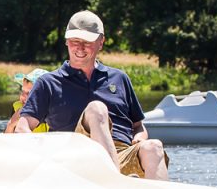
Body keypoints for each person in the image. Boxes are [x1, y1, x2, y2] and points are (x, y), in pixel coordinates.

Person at [16, 11, 169, 180]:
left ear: (100, 42)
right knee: (97, 109)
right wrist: (45, 152)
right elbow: (22, 127)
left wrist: (140, 138)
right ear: (67, 41)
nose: (80, 47)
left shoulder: (119, 78)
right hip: (74, 156)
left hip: (121, 154)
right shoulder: (48, 83)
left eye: (87, 41)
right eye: (75, 41)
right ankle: (116, 182)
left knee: (154, 147)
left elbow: (138, 126)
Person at [5, 68, 49, 133]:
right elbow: (6, 140)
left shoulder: (54, 111)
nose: (22, 96)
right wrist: (11, 125)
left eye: (29, 93)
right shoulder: (18, 109)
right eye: (22, 91)